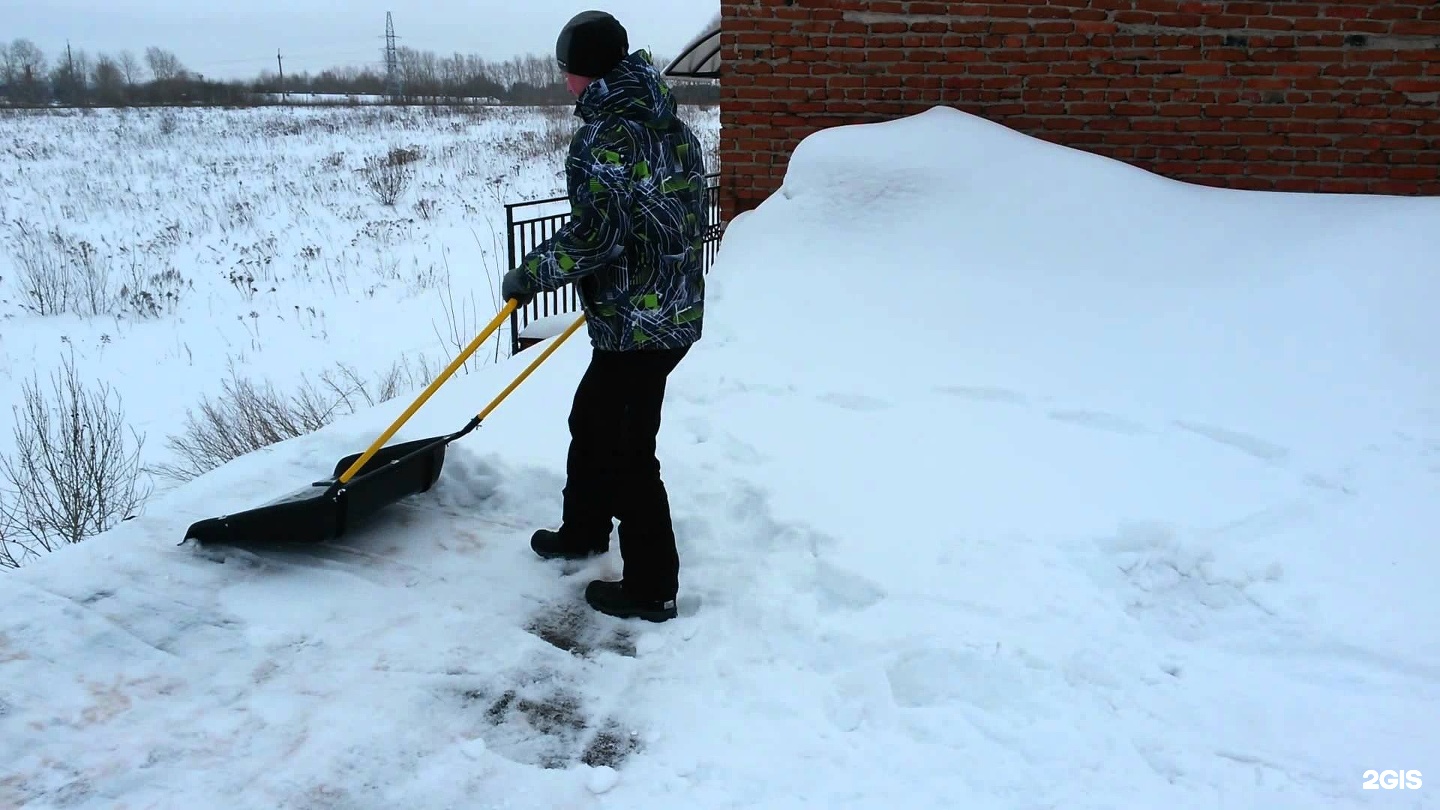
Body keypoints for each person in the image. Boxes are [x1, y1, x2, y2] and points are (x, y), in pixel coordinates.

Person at [501, 9, 708, 623]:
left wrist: (531, 275)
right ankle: (584, 530)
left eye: (568, 69)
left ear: (587, 71)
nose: (564, 81)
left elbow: (598, 234)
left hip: (637, 320)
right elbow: (686, 215)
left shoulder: (607, 133)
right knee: (594, 420)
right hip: (665, 311)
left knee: (625, 450)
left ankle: (651, 588)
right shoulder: (669, 123)